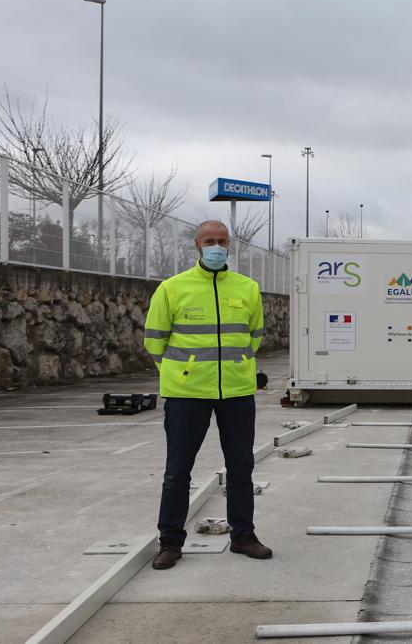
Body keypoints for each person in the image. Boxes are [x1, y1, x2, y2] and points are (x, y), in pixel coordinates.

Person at [142, 220, 272, 570]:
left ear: (230, 246)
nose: (217, 247)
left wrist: (237, 366)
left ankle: (243, 535)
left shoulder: (247, 288)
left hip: (236, 391)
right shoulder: (172, 289)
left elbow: (254, 335)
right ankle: (170, 542)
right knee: (177, 471)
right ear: (197, 246)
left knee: (241, 467)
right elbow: (154, 341)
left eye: (223, 241)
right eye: (210, 241)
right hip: (187, 394)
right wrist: (182, 372)